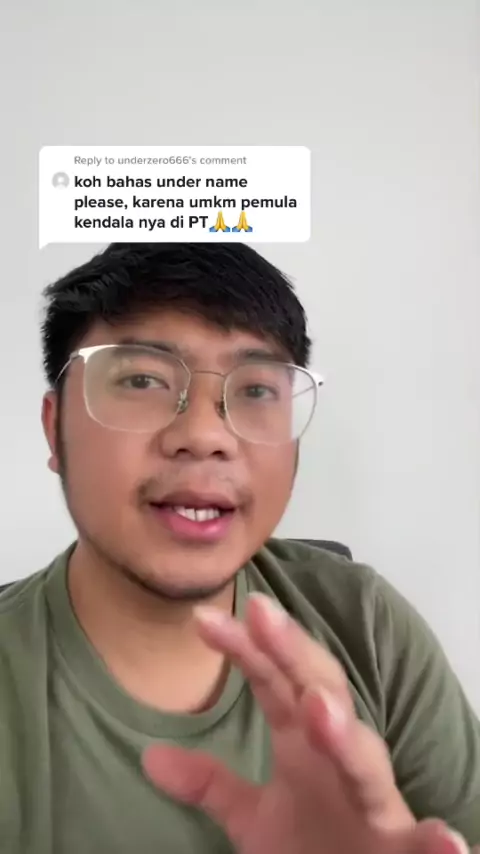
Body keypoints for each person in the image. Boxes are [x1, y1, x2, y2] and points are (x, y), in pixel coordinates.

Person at [0, 242, 478, 854]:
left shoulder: (364, 626)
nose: (205, 435)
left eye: (254, 389)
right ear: (55, 429)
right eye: (143, 380)